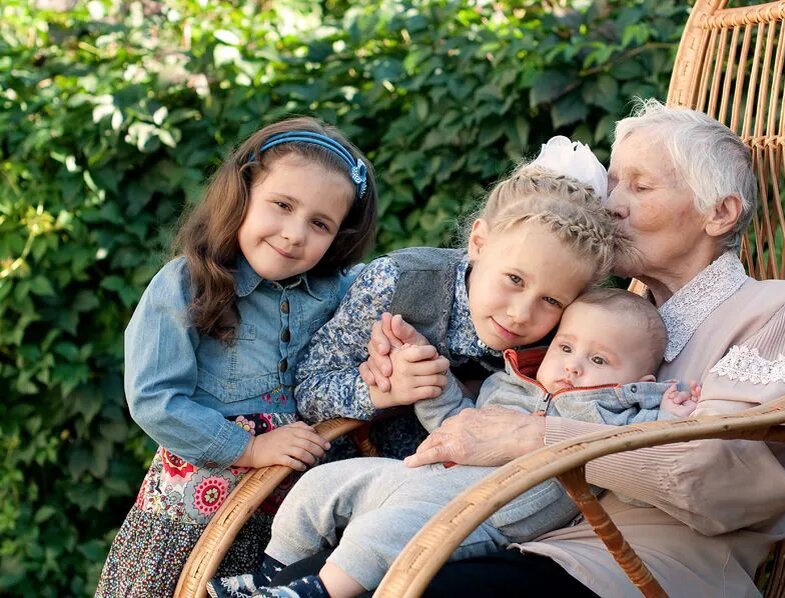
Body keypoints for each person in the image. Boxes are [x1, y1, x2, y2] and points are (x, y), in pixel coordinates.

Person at [272, 99, 785, 597]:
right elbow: (506, 395)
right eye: (613, 184)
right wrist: (405, 376)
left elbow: (721, 475)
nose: (612, 204)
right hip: (512, 531)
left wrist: (533, 438)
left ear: (720, 212)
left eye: (640, 187)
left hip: (635, 570)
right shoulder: (602, 313)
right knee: (316, 570)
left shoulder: (776, 309)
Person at [204, 135, 620, 598]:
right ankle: (271, 580)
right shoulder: (400, 284)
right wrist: (384, 392)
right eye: (514, 280)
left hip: (470, 499)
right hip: (366, 466)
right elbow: (309, 386)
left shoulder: (565, 336)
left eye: (551, 299)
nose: (522, 313)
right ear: (479, 242)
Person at [210, 289, 700, 597]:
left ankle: (318, 592)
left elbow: (634, 485)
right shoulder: (513, 384)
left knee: (385, 533)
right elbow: (456, 423)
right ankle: (272, 575)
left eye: (600, 361)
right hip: (418, 473)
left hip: (480, 514)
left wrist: (663, 416)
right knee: (322, 483)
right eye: (567, 348)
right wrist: (434, 378)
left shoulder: (618, 416)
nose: (573, 366)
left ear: (640, 379)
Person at [95, 117, 379, 597]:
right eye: (282, 206)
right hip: (194, 516)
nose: (294, 234)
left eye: (320, 223)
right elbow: (154, 399)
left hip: (291, 517)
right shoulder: (187, 283)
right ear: (243, 193)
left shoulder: (341, 295)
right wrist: (248, 449)